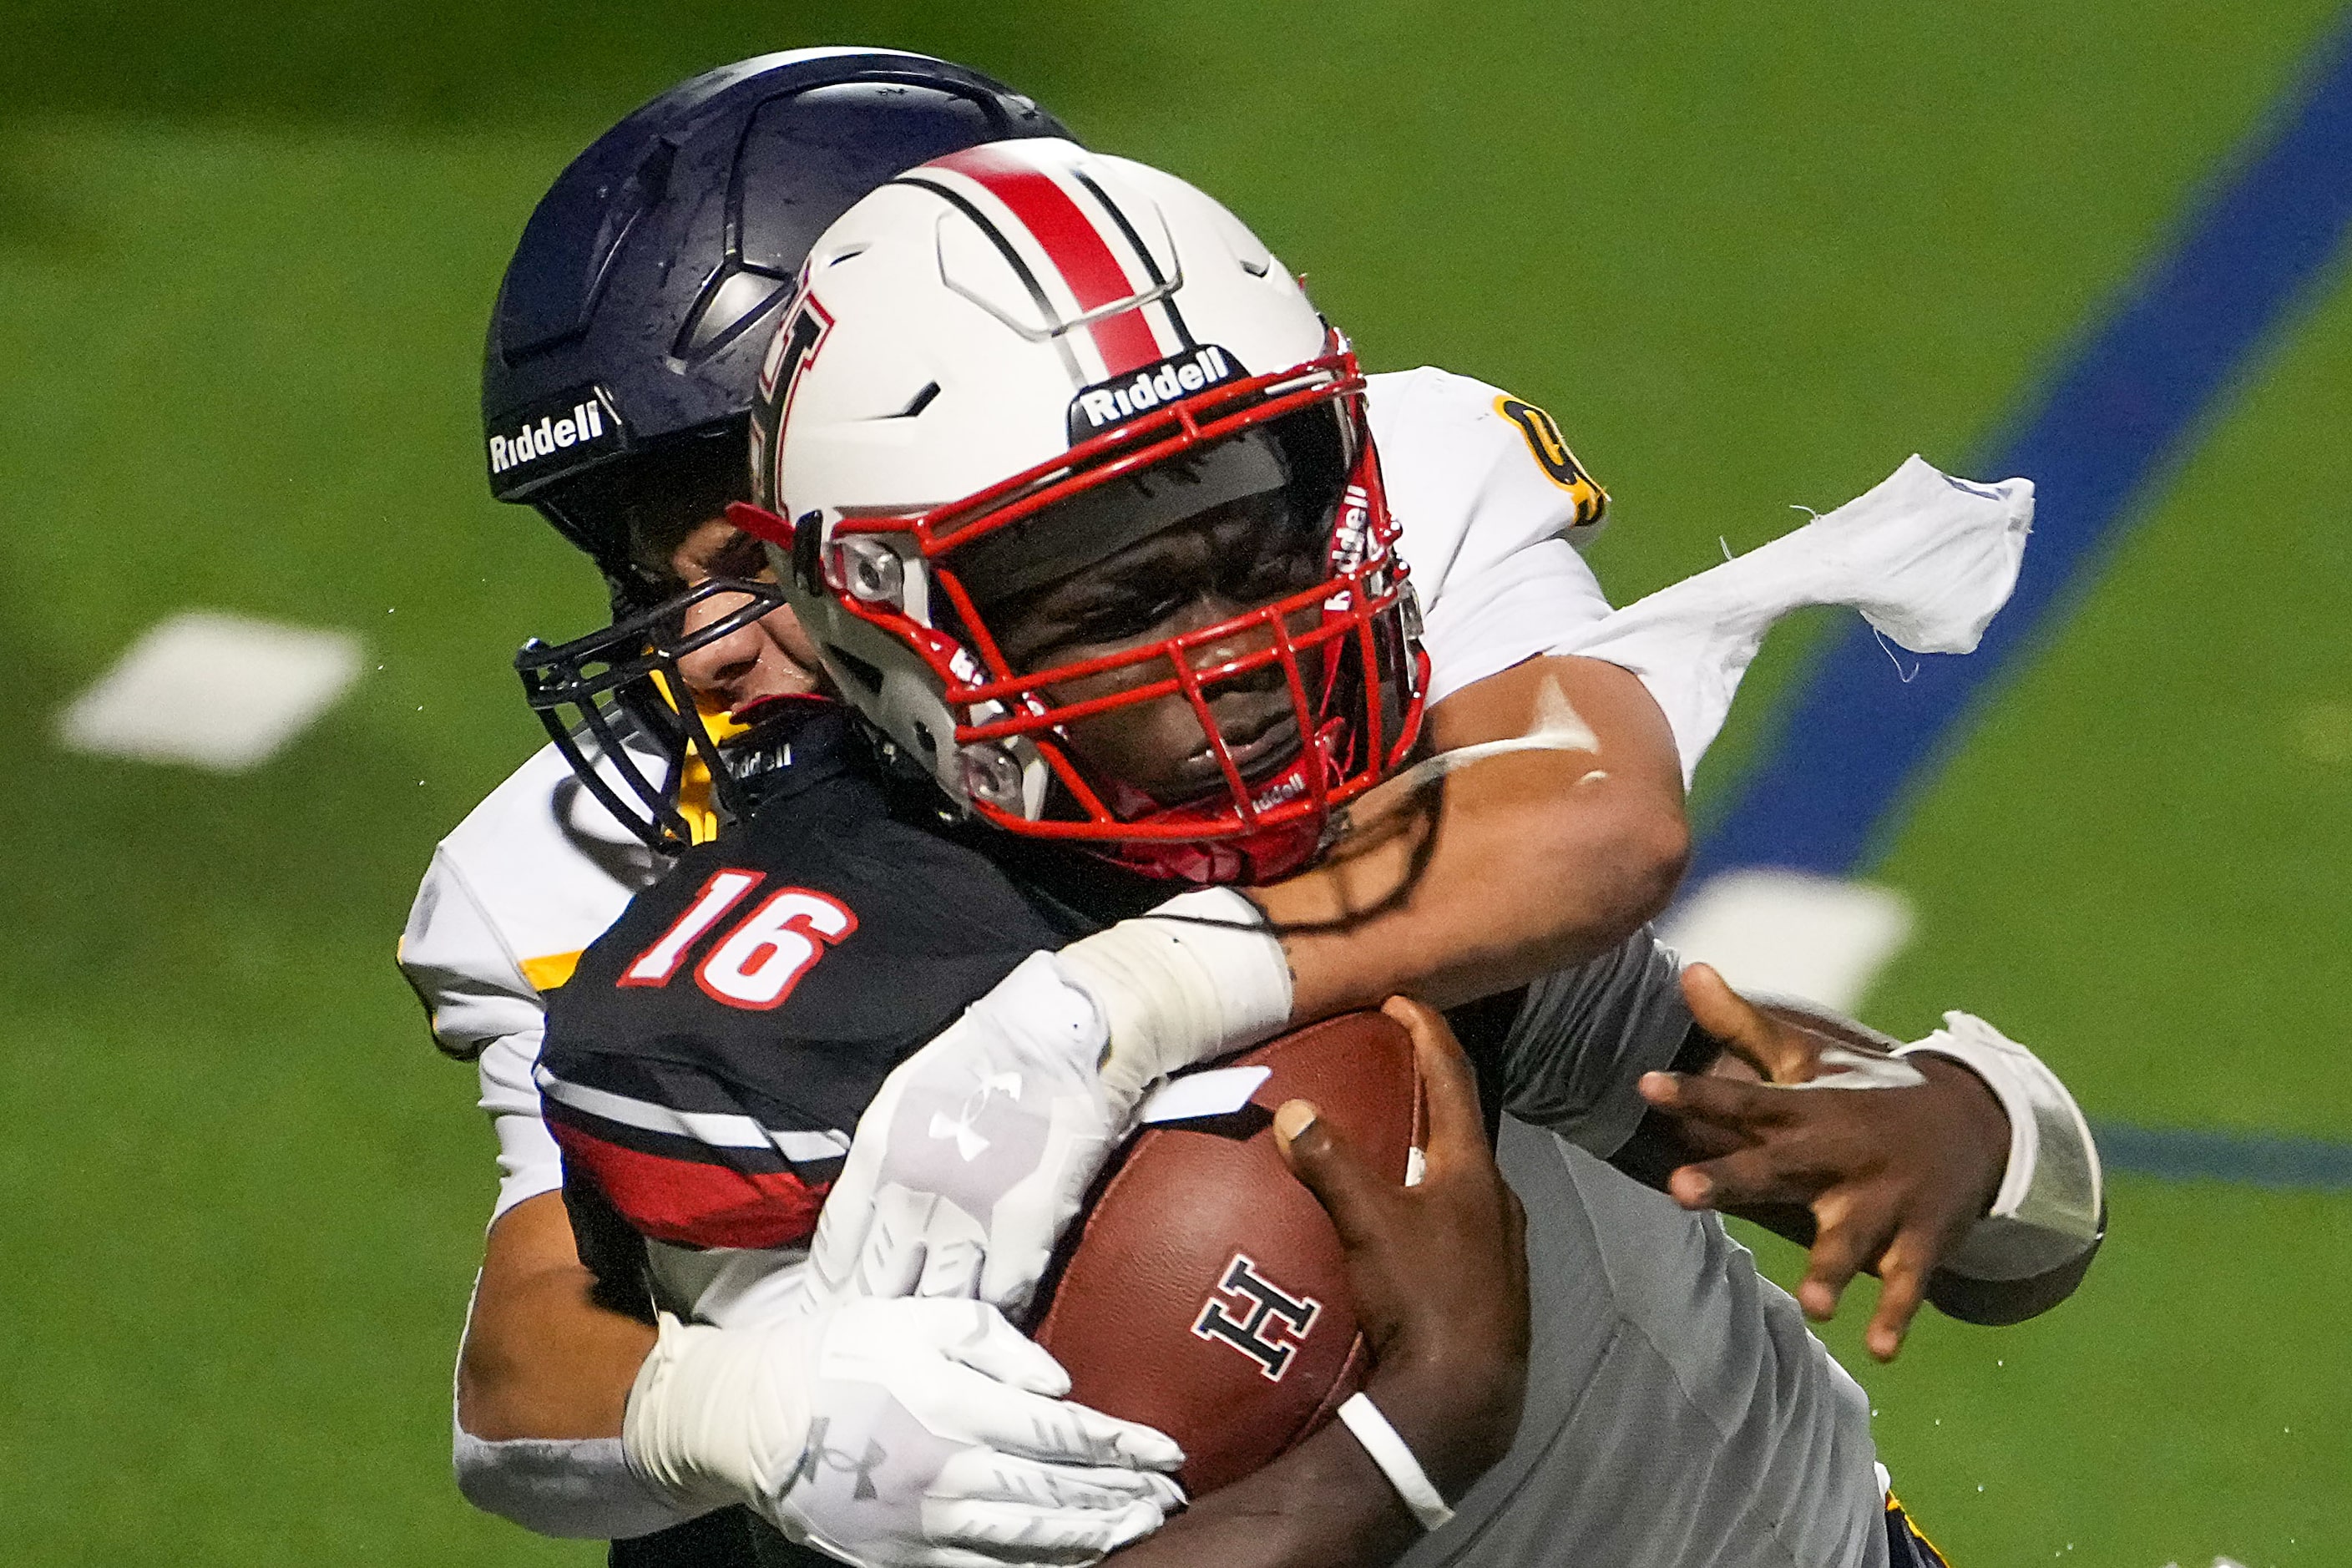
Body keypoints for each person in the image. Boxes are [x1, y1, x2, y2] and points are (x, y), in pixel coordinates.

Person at [436, 133, 2098, 1568]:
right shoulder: (686, 919)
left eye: (1228, 540)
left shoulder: (1365, 732)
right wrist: (722, 1401)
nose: (712, 632)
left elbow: (1620, 898)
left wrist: (1974, 1132)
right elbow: (525, 1376)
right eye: (667, 562)